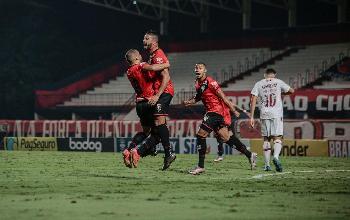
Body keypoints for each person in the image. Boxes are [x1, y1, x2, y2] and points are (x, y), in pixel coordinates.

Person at [183, 63, 257, 175]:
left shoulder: (211, 82)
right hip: (212, 112)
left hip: (216, 112)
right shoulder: (197, 83)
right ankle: (249, 155)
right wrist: (190, 102)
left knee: (200, 135)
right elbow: (198, 97)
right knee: (227, 137)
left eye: (200, 68)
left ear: (205, 71)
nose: (197, 70)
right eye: (196, 68)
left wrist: (233, 110)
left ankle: (200, 166)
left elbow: (224, 97)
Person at [122, 49, 170, 168]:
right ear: (136, 58)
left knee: (146, 132)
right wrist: (166, 64)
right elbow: (153, 68)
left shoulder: (128, 72)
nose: (141, 55)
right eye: (139, 54)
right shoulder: (141, 66)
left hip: (139, 105)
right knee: (158, 133)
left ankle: (128, 150)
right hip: (149, 102)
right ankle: (137, 153)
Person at [142, 30, 176, 170]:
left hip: (164, 92)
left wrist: (157, 95)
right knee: (155, 126)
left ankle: (168, 152)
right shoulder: (152, 56)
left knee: (158, 121)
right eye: (144, 38)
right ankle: (158, 149)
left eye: (147, 38)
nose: (144, 40)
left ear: (154, 42)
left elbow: (166, 77)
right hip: (158, 93)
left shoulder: (158, 55)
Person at [250, 68, 294, 172]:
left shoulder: (259, 83)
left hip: (264, 113)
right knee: (277, 138)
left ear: (265, 75)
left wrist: (251, 116)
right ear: (274, 75)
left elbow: (253, 99)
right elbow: (292, 91)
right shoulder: (278, 82)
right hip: (276, 114)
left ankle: (267, 165)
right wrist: (281, 93)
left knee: (266, 139)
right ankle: (276, 157)